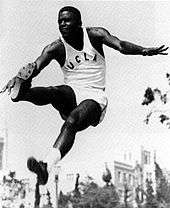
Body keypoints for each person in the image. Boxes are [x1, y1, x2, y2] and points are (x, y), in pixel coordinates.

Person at [1, 6, 168, 186]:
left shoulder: (95, 35)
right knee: (54, 91)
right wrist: (18, 77)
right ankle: (22, 94)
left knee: (72, 121)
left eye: (67, 20)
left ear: (79, 23)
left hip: (95, 97)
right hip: (72, 92)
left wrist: (143, 50)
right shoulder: (55, 47)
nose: (62, 24)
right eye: (59, 22)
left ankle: (46, 166)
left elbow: (120, 45)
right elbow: (36, 65)